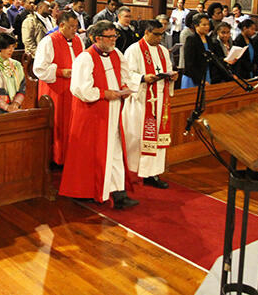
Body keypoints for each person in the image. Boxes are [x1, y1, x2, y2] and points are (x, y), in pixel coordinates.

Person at [59, 20, 138, 209]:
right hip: (93, 113)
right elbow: (79, 88)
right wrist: (104, 94)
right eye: (109, 37)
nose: (114, 41)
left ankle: (118, 192)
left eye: (115, 37)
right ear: (96, 38)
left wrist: (125, 88)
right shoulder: (85, 59)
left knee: (116, 150)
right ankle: (90, 191)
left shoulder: (117, 54)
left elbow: (124, 77)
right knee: (92, 154)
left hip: (113, 111)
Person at [122, 20, 177, 189]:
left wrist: (172, 76)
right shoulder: (134, 50)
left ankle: (152, 172)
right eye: (157, 34)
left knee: (157, 136)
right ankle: (134, 170)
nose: (160, 38)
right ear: (146, 32)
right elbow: (126, 74)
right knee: (139, 136)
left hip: (159, 99)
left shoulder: (162, 51)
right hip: (142, 99)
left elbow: (167, 68)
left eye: (162, 34)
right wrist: (142, 78)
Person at [34, 12, 84, 165]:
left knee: (73, 124)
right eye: (71, 27)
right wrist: (61, 72)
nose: (75, 30)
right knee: (58, 124)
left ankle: (71, 157)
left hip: (74, 90)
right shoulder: (48, 41)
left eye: (76, 27)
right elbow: (40, 69)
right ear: (61, 25)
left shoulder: (78, 41)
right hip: (55, 91)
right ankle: (56, 159)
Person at [182, 13, 213, 88]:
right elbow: (189, 63)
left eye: (208, 24)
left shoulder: (209, 39)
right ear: (196, 26)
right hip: (193, 77)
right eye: (204, 25)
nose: (207, 27)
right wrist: (200, 80)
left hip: (206, 73)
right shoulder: (191, 39)